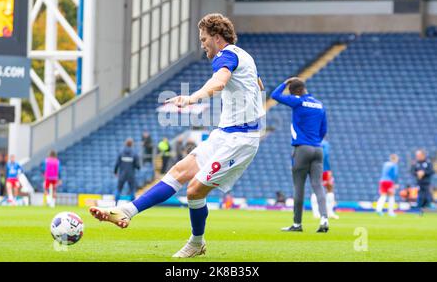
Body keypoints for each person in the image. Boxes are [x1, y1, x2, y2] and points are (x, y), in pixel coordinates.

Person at [90, 13, 265, 258]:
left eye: (204, 39)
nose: (202, 44)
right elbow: (258, 85)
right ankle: (126, 211)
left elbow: (219, 82)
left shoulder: (226, 56)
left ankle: (196, 242)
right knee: (180, 171)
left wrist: (191, 98)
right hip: (224, 133)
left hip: (240, 141)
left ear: (216, 37)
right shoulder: (244, 56)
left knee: (194, 191)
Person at [271, 77, 328, 233]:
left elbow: (275, 95)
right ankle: (324, 219)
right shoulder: (320, 105)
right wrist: (315, 141)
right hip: (318, 149)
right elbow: (323, 130)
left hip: (302, 148)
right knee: (318, 185)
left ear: (296, 91)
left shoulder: (298, 101)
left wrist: (285, 82)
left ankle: (297, 224)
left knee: (299, 187)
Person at [311, 139, 339, 219]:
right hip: (324, 169)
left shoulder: (312, 142)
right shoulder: (325, 143)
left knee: (317, 189)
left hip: (317, 168)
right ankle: (328, 212)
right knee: (329, 188)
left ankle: (317, 213)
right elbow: (325, 155)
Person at [411, 149, 434, 215]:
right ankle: (419, 211)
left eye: (418, 155)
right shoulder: (415, 163)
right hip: (419, 183)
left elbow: (431, 171)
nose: (417, 156)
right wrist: (417, 173)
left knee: (427, 196)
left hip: (426, 183)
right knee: (420, 196)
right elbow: (412, 171)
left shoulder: (428, 162)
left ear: (422, 155)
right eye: (417, 155)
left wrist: (424, 173)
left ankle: (428, 210)